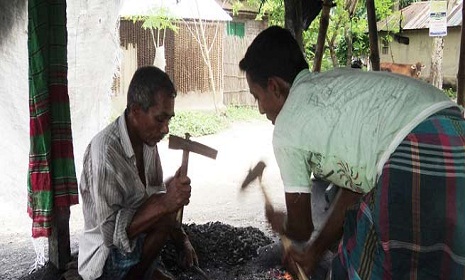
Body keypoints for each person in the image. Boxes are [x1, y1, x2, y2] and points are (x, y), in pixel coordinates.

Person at [239, 25, 465, 279]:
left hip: (413, 146)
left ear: (274, 87)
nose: (259, 109)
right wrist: (314, 252)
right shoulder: (335, 85)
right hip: (454, 128)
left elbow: (302, 228)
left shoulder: (287, 126)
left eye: (256, 97)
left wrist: (283, 223)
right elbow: (354, 189)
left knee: (376, 267)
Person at [78, 66, 197, 280]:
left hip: (136, 239)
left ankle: (147, 271)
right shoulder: (105, 152)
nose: (165, 129)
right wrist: (164, 202)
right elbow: (109, 235)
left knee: (169, 205)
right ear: (135, 110)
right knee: (165, 212)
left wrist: (182, 239)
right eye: (160, 119)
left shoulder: (148, 142)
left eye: (169, 119)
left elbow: (154, 195)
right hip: (104, 257)